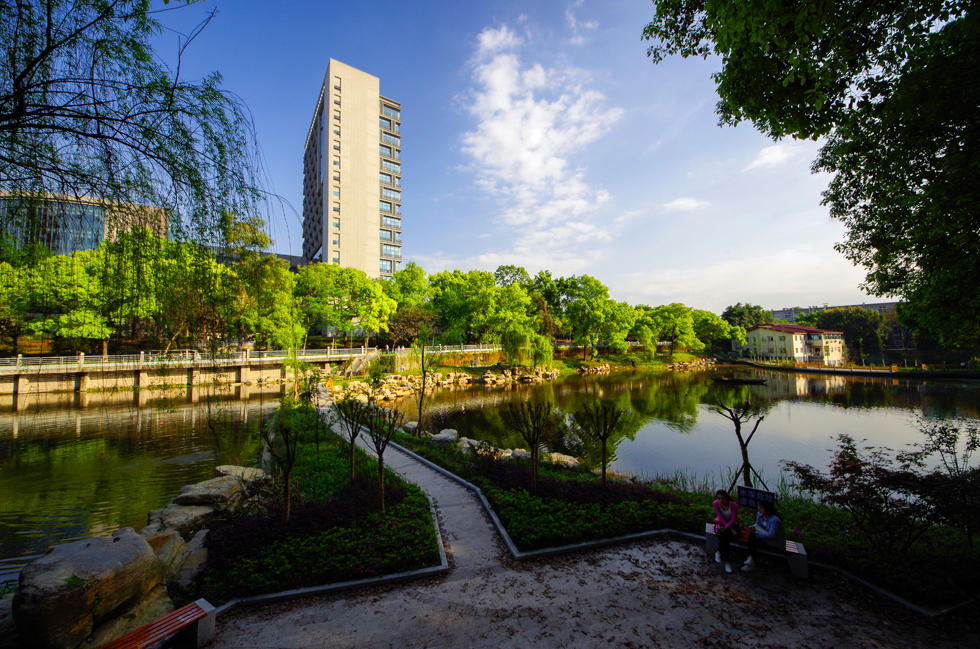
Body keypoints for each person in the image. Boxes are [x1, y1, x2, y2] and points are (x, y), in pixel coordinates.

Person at [742, 500, 785, 572]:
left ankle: (751, 559)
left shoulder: (774, 520)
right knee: (752, 537)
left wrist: (756, 533)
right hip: (766, 537)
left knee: (753, 537)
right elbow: (757, 525)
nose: (758, 509)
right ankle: (751, 558)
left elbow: (771, 535)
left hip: (775, 542)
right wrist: (751, 527)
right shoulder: (760, 514)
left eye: (761, 508)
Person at [712, 489, 739, 574]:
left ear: (727, 498)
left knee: (725, 536)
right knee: (725, 535)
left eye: (722, 498)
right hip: (722, 523)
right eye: (718, 498)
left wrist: (728, 527)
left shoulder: (733, 505)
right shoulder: (715, 504)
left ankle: (719, 551)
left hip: (732, 524)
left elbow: (733, 519)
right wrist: (729, 528)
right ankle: (727, 562)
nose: (720, 501)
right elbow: (720, 517)